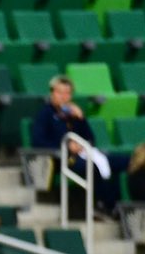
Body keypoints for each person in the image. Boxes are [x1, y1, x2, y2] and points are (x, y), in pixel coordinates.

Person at [31, 77, 117, 215]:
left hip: (83, 152)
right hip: (60, 158)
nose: (64, 97)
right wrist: (66, 147)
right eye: (60, 93)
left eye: (67, 93)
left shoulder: (73, 114)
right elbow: (38, 141)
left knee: (123, 161)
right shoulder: (45, 114)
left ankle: (117, 202)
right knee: (91, 167)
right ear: (52, 93)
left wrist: (81, 118)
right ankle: (108, 204)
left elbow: (90, 139)